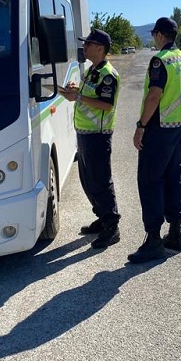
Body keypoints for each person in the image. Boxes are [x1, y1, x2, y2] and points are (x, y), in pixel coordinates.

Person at [129, 17, 181, 263]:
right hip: (178, 126)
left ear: (159, 35)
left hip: (158, 128)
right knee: (172, 178)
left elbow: (154, 96)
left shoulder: (160, 60)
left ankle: (154, 239)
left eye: (154, 35)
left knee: (150, 180)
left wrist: (140, 126)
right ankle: (175, 233)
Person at [59, 29, 122, 249]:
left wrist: (80, 97)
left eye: (88, 44)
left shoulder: (108, 74)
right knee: (88, 182)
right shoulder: (90, 70)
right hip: (85, 133)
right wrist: (70, 93)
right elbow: (82, 99)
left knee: (101, 181)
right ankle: (102, 218)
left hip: (98, 135)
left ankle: (112, 226)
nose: (84, 47)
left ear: (101, 49)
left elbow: (106, 104)